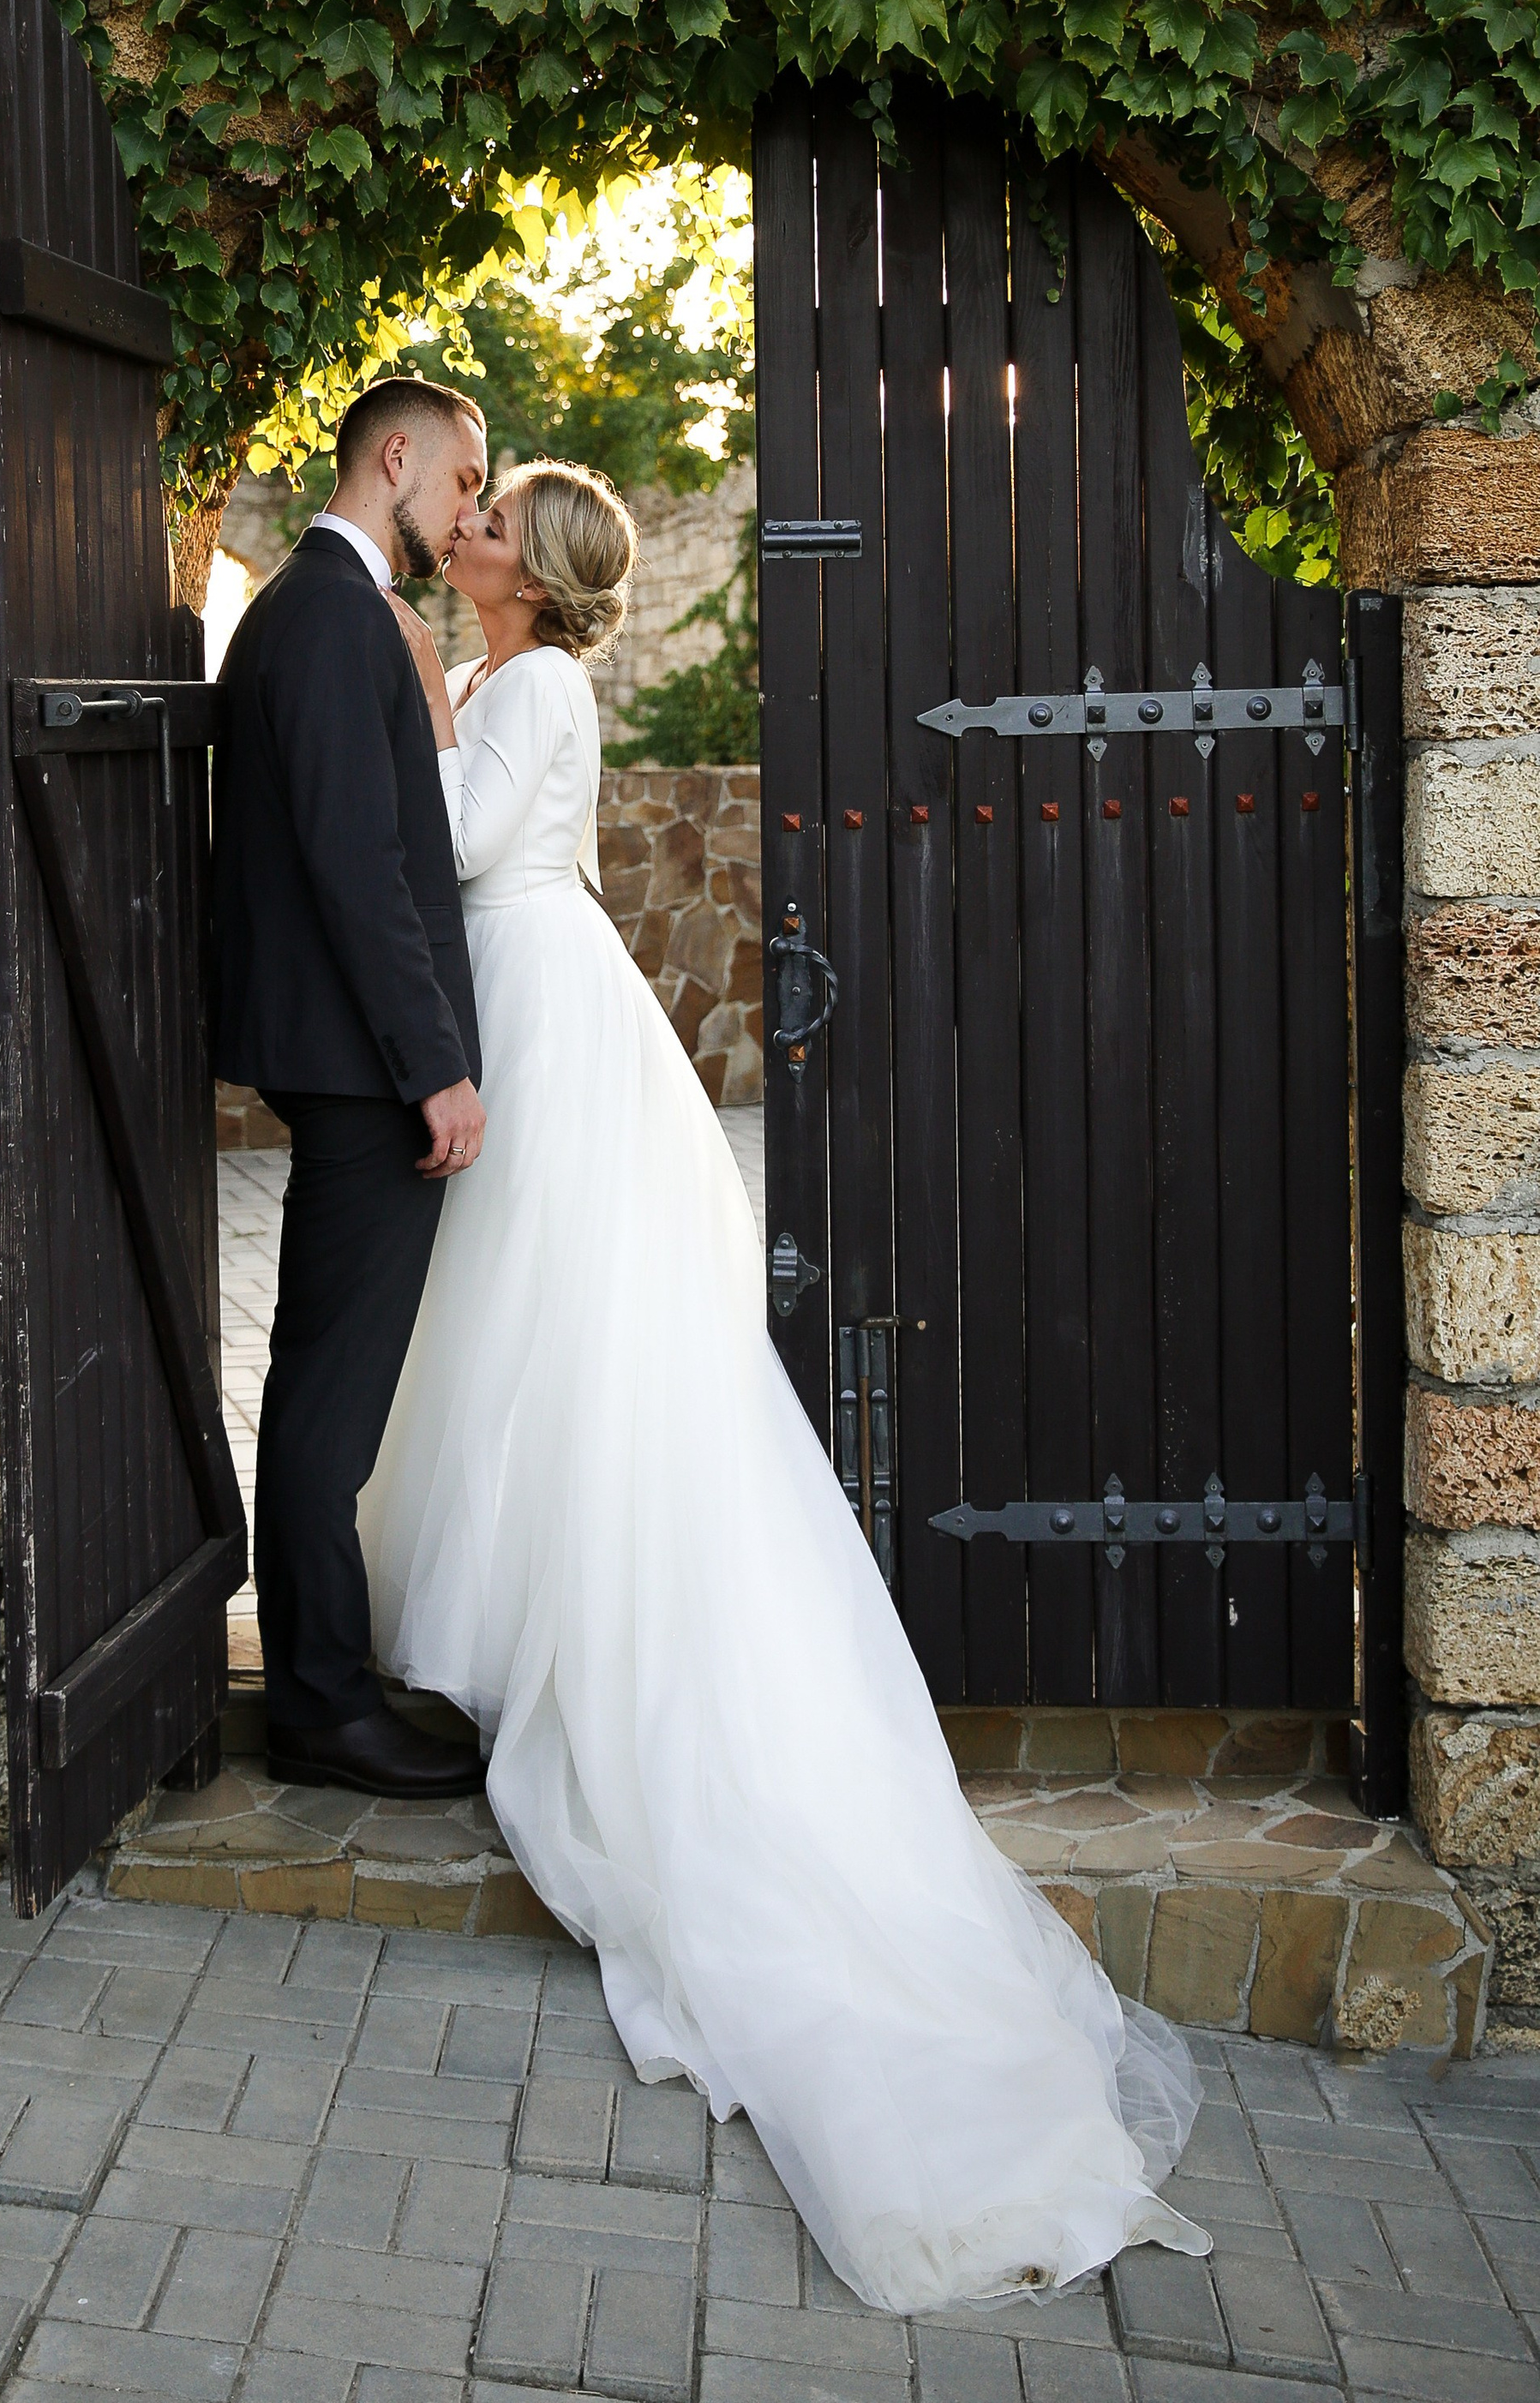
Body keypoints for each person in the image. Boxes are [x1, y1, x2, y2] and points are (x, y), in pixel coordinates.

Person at [363, 456, 1213, 2315]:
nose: (472, 528)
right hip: (530, 994)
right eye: (472, 508)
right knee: (518, 1339)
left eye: (494, 519)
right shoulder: (511, 678)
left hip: (534, 1004)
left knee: (553, 1340)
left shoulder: (535, 684)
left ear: (539, 573)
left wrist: (420, 703)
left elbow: (436, 849)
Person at [209, 375, 493, 1801]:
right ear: (398, 459)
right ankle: (319, 1703)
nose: (463, 517)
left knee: (329, 1384)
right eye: (457, 485)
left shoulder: (324, 609)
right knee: (328, 1394)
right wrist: (433, 1065)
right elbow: (356, 864)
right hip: (363, 1076)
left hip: (346, 1065)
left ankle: (329, 1677)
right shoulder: (326, 614)